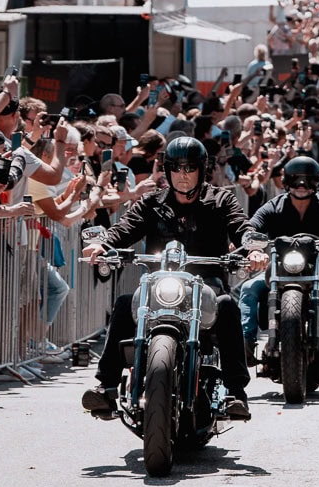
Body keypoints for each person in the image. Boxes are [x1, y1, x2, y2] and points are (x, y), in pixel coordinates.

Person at [80, 136, 253, 421]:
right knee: (125, 304)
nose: (183, 175)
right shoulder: (152, 202)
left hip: (206, 284)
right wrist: (103, 244)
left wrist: (252, 249)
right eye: (176, 168)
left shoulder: (221, 200)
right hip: (161, 286)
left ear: (201, 169)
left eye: (189, 168)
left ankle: (236, 393)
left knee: (228, 307)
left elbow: (240, 226)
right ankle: (106, 387)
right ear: (168, 170)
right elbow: (124, 228)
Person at [238, 155, 319, 364]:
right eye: (296, 179)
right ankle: (245, 341)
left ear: (317, 182)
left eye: (308, 179)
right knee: (249, 288)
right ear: (286, 181)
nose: (302, 185)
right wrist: (244, 241)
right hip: (278, 270)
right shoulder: (274, 206)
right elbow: (253, 225)